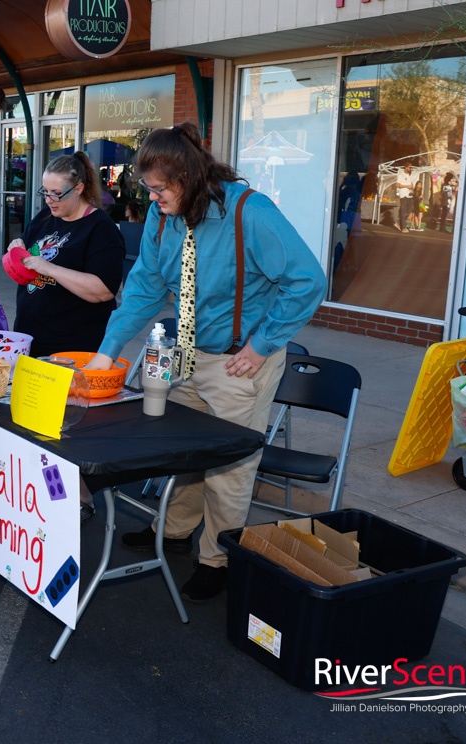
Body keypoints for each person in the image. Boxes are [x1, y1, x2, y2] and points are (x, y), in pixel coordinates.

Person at [87, 122, 326, 602]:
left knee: (229, 467)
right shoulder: (162, 217)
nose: (152, 199)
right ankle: (174, 531)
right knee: (185, 448)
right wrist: (107, 350)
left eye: (158, 189)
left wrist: (262, 344)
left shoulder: (249, 211)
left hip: (240, 360)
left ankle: (217, 557)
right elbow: (145, 285)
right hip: (188, 352)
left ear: (188, 177)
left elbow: (307, 281)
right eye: (148, 189)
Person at [10, 152, 125, 359]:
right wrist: (15, 248)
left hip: (72, 348)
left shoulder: (101, 229)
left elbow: (103, 291)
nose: (49, 200)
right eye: (45, 192)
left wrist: (48, 268)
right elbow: (26, 258)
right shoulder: (44, 217)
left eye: (56, 193)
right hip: (29, 340)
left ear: (78, 189)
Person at [396, 164, 417, 233]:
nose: (410, 168)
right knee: (403, 211)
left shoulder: (409, 175)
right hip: (403, 195)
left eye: (411, 167)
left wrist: (412, 190)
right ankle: (403, 227)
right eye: (409, 167)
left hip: (409, 195)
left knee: (409, 210)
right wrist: (406, 186)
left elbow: (411, 185)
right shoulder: (401, 175)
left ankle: (399, 222)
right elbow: (397, 184)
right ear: (406, 167)